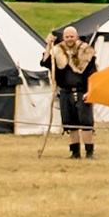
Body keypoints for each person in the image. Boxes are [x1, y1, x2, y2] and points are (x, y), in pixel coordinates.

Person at [43, 26, 97, 159]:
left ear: (76, 37)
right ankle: (75, 152)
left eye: (71, 36)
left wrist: (90, 91)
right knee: (70, 124)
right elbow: (45, 62)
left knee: (86, 124)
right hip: (65, 93)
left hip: (82, 92)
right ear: (64, 38)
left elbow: (93, 74)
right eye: (67, 37)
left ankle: (89, 153)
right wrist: (48, 45)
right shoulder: (58, 52)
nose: (69, 39)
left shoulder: (86, 52)